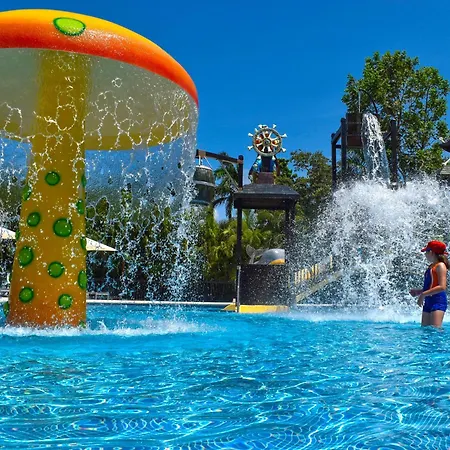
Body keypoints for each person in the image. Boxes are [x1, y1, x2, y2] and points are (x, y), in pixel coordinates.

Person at [409, 240, 449, 327]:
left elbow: (442, 287)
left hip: (438, 300)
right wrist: (419, 292)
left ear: (431, 252)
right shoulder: (431, 266)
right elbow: (432, 286)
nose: (425, 254)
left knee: (435, 330)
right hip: (428, 300)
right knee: (425, 329)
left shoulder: (440, 266)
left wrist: (423, 294)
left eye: (426, 252)